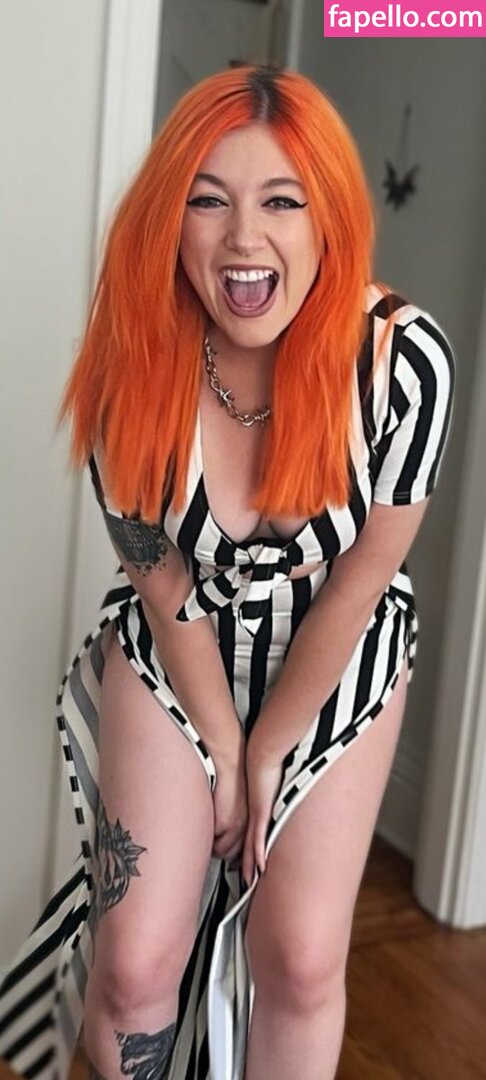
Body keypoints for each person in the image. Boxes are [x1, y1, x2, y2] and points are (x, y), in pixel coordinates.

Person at [0, 64, 455, 1080]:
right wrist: (219, 739)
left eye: (281, 201)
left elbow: (364, 576)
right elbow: (163, 586)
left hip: (340, 647)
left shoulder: (402, 363)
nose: (244, 237)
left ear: (328, 217)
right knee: (134, 963)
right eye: (208, 201)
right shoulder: (132, 365)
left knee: (299, 959)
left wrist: (270, 746)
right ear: (170, 219)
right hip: (185, 645)